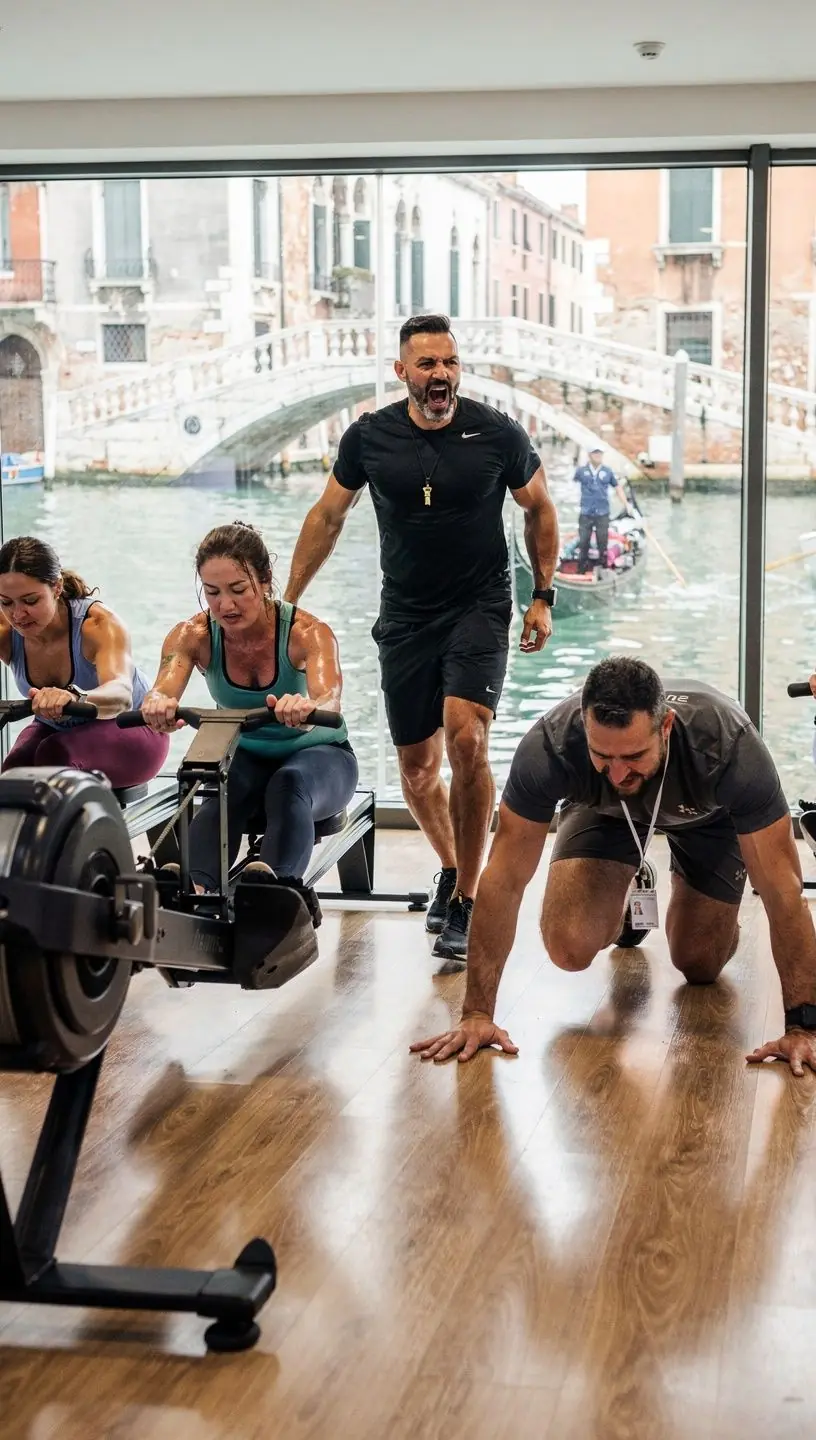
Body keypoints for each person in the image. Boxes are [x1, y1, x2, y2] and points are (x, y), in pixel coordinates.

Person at [284, 313, 560, 965]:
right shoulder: (369, 437)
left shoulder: (497, 433)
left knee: (467, 737)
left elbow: (539, 507)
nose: (441, 374)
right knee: (416, 769)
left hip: (479, 606)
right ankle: (452, 866)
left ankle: (469, 897)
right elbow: (328, 515)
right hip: (405, 614)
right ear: (402, 371)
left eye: (450, 363)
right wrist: (286, 603)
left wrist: (543, 596)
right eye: (428, 363)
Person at [411, 657, 816, 1077]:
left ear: (666, 727)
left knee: (698, 964)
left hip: (707, 820)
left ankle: (714, 906)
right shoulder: (551, 745)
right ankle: (628, 891)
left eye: (634, 755)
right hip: (604, 812)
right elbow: (503, 880)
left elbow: (783, 892)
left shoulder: (729, 747)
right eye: (602, 754)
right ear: (584, 726)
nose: (618, 772)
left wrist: (803, 1027)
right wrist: (477, 1014)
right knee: (568, 947)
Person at [142, 521, 358, 889]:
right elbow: (162, 689)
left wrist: (306, 707)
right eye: (212, 592)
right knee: (222, 787)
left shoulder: (307, 632)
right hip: (246, 756)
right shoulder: (193, 635)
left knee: (289, 783)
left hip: (323, 759)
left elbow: (330, 699)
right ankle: (194, 892)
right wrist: (157, 706)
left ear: (265, 580)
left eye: (238, 590)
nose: (225, 605)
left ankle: (274, 892)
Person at [0, 535, 168, 786]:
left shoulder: (98, 624)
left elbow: (121, 694)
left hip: (133, 727)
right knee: (13, 772)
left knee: (53, 756)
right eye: (5, 602)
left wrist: (75, 696)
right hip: (59, 729)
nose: (18, 614)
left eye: (31, 601)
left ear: (57, 587)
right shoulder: (5, 628)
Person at [573, 445, 631, 574]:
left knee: (602, 542)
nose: (598, 456)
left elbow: (617, 488)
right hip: (586, 512)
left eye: (600, 453)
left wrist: (626, 504)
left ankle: (603, 567)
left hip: (602, 513)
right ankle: (581, 568)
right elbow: (573, 485)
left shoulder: (607, 471)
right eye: (595, 453)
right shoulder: (581, 471)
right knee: (583, 542)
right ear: (589, 455)